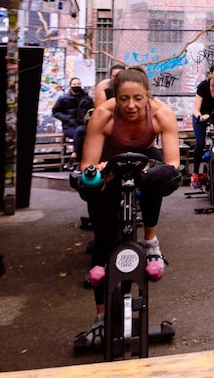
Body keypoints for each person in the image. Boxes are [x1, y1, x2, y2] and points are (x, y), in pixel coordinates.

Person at [76, 66, 182, 343]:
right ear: (115, 97)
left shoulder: (161, 114)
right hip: (108, 161)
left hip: (144, 157)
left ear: (147, 95)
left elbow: (172, 163)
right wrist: (96, 170)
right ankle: (100, 318)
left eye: (137, 98)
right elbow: (86, 164)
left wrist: (149, 171)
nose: (131, 105)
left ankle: (150, 242)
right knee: (104, 236)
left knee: (160, 177)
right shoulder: (103, 116)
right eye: (124, 99)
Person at [52, 77, 94, 171]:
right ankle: (79, 162)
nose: (77, 86)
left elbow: (92, 111)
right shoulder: (63, 98)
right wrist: (67, 119)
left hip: (82, 125)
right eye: (74, 84)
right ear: (70, 86)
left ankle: (74, 155)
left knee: (80, 132)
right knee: (80, 136)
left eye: (78, 84)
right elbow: (55, 112)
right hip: (69, 126)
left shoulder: (87, 98)